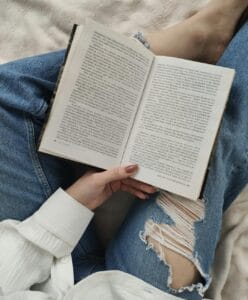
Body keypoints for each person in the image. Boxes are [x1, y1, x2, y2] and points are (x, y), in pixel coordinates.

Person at [0, 0, 247, 299]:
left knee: (7, 94)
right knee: (207, 138)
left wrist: (75, 201)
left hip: (42, 269)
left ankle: (196, 39)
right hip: (133, 292)